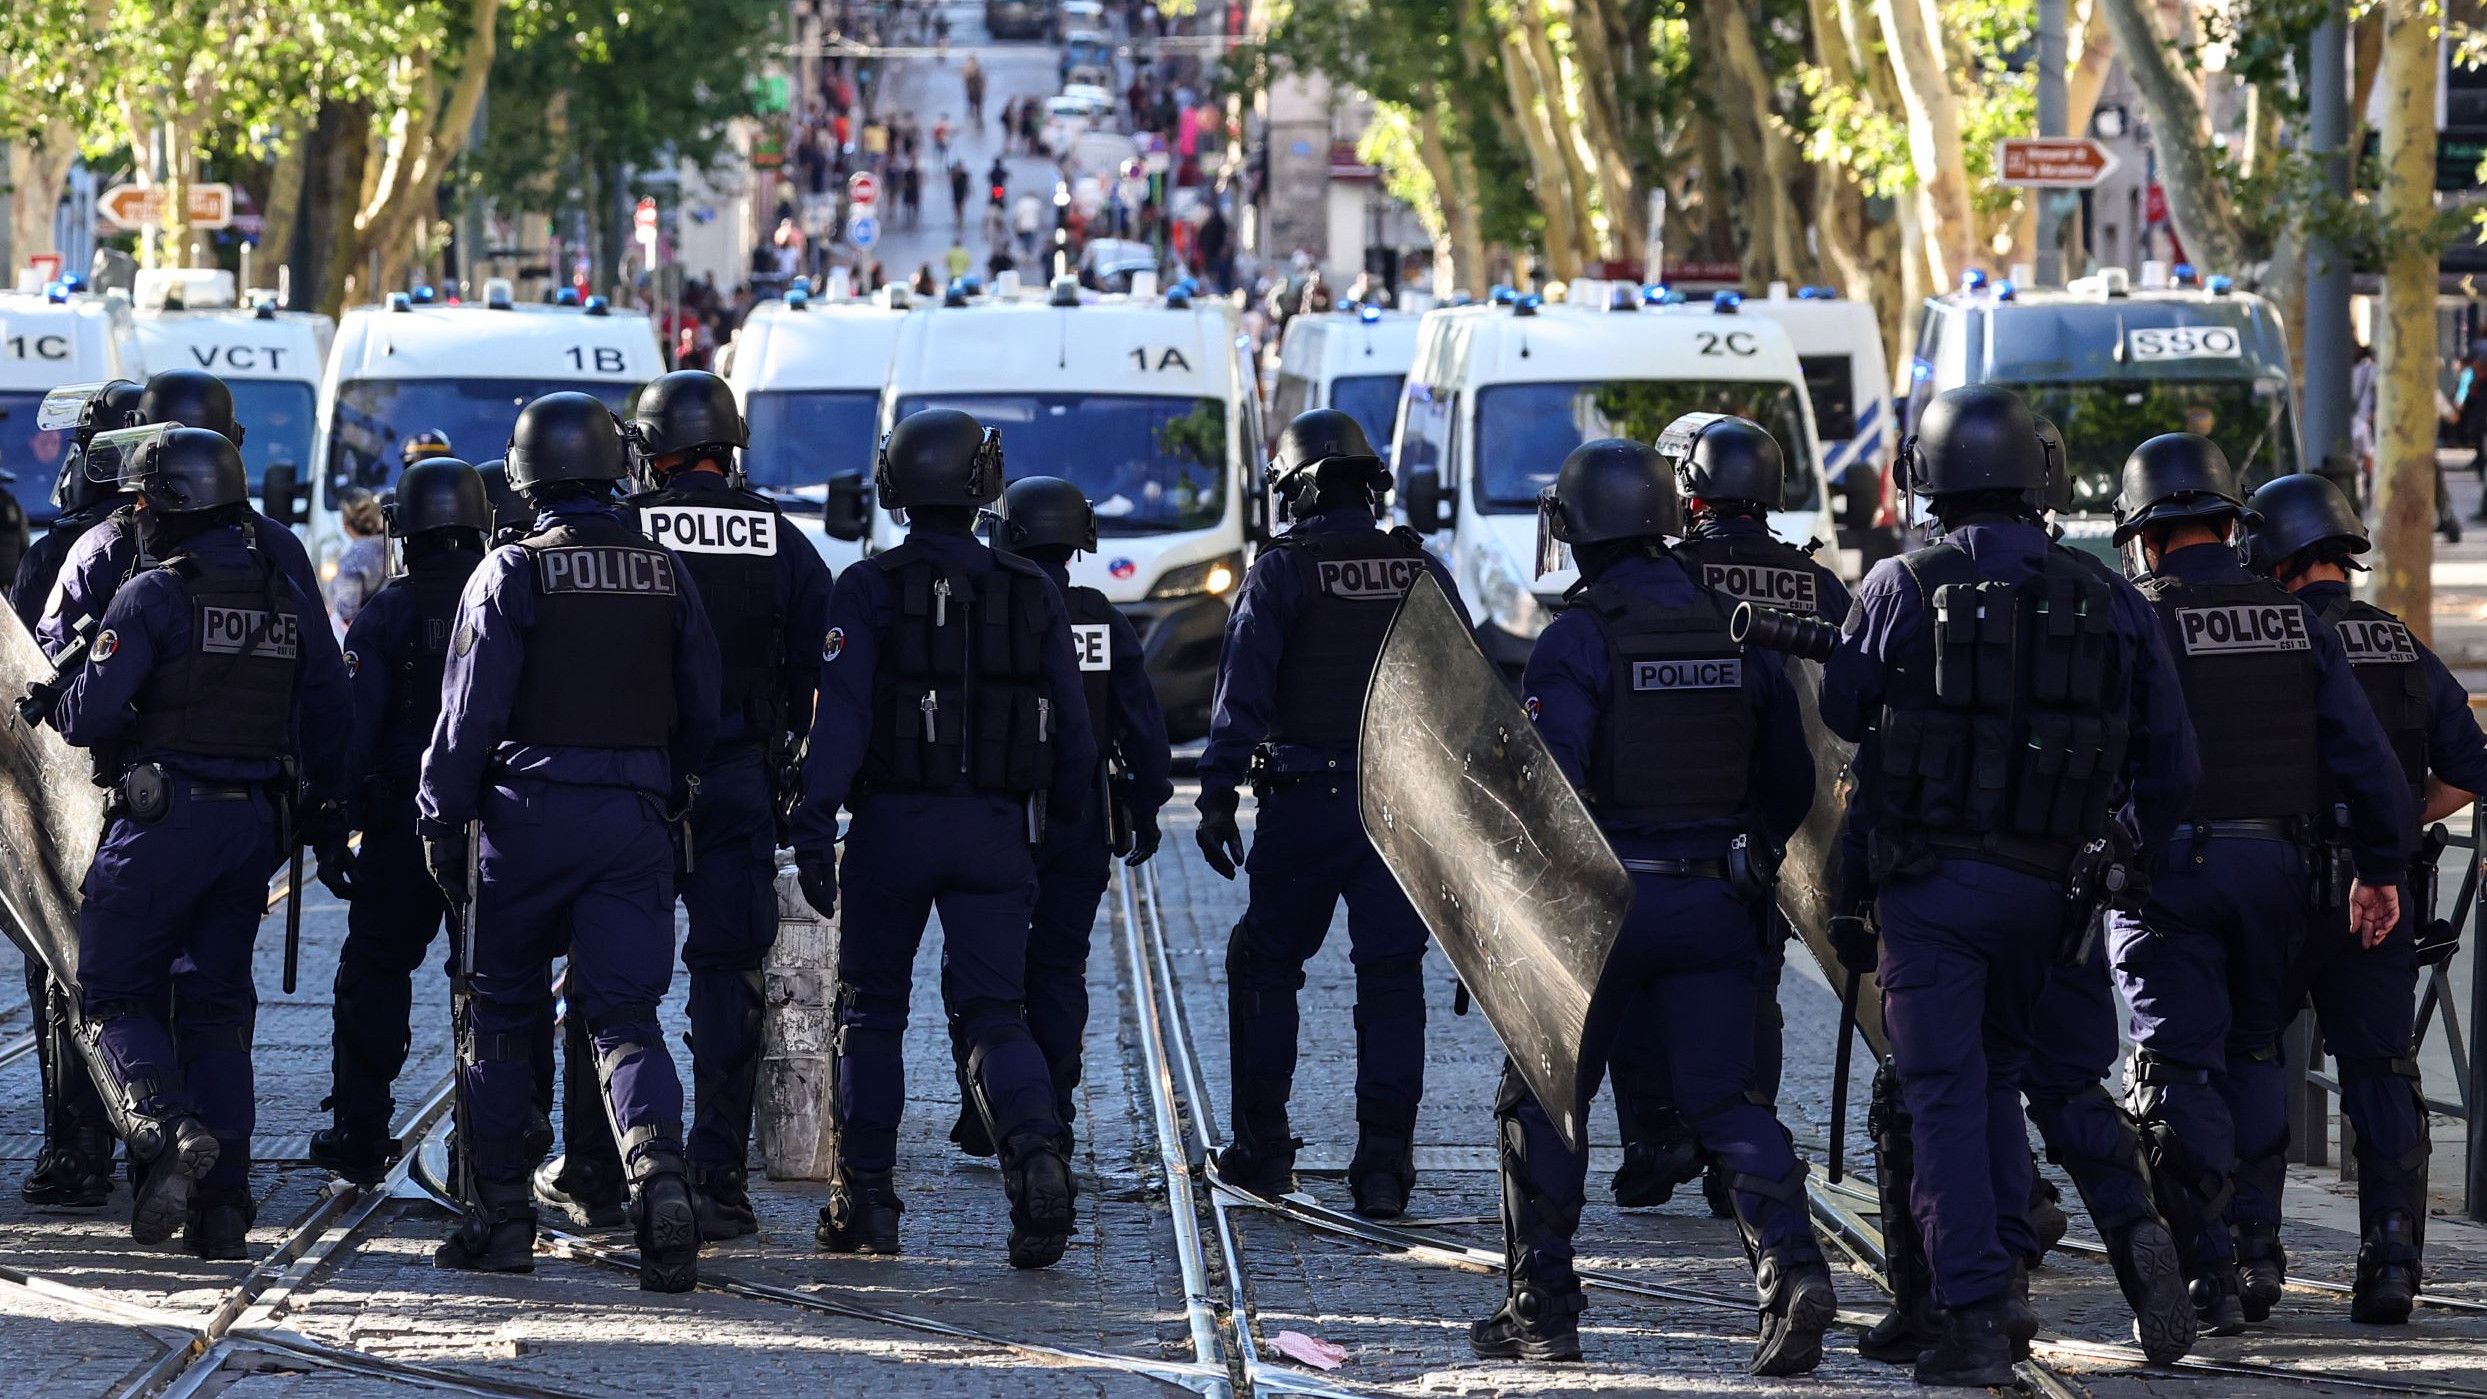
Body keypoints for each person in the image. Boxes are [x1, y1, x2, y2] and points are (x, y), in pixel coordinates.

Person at [1818, 386, 2198, 1386]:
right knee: (2010, 1075)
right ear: (2042, 476)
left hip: (1932, 889)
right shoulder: (2105, 592)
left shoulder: (1901, 583)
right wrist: (2117, 851)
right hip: (2055, 895)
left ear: (1927, 477)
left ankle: (1979, 1314)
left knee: (1944, 1092)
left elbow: (1843, 709)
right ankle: (2077, 1250)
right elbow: (2173, 763)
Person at [1475, 436, 1836, 1371]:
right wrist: (1743, 851)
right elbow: (1792, 775)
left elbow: (1550, 793)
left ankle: (1541, 1308)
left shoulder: (1577, 637)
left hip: (1602, 912)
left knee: (1544, 1095)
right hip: (1715, 901)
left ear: (1576, 528)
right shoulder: (1732, 622)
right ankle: (1793, 1270)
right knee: (1726, 1099)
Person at [2106, 433, 2411, 1335]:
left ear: (2146, 536)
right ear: (2229, 524)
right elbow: (2368, 761)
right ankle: (2255, 1249)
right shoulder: (2294, 622)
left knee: (2177, 1066)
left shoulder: (2136, 617)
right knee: (2250, 1053)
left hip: (2169, 873)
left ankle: (2213, 1269)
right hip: (2281, 874)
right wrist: (2380, 869)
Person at [420, 392, 720, 1292]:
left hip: (524, 822)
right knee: (627, 1018)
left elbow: (466, 719)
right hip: (631, 818)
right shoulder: (665, 571)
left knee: (501, 1019)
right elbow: (703, 708)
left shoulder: (508, 571)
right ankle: (659, 1180)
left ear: (524, 477)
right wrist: (666, 784)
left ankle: (501, 1219)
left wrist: (440, 818)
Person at [788, 409, 1097, 1269]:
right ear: (982, 484)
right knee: (996, 1012)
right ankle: (1037, 1159)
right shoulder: (1031, 588)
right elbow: (1074, 731)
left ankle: (867, 1202)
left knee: (870, 1011)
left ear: (895, 485)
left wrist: (814, 826)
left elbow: (840, 721)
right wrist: (1052, 832)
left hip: (892, 829)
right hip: (995, 830)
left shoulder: (866, 587)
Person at [55, 425, 352, 1257]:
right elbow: (329, 704)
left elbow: (87, 717)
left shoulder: (152, 593)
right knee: (218, 1010)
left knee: (111, 992)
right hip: (251, 825)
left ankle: (164, 1125)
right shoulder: (283, 591)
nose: (138, 516)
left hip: (162, 822)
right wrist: (326, 807)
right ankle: (224, 1208)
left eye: (144, 502)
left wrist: (71, 688)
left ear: (173, 504)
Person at [1195, 409, 1461, 1218]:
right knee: (1391, 977)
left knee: (1265, 963)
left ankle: (1263, 1149)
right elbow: (1466, 697)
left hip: (1304, 804)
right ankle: (1383, 1167)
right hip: (1402, 810)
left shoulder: (1283, 571)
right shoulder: (1419, 568)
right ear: (1368, 485)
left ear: (1300, 489)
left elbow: (1243, 692)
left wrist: (1216, 796)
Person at [2238, 472, 2483, 1323]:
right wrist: (2392, 822)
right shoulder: (2397, 641)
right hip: (2380, 891)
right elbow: (2467, 769)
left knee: (2250, 1056)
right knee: (2380, 1069)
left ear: (2271, 555)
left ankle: (2251, 1251)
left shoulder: (2268, 634)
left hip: (2278, 887)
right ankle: (2390, 1259)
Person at [1601, 414, 1851, 1218]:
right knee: (1754, 988)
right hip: (1794, 819)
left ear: (1691, 490)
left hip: (1687, 811)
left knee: (1642, 985)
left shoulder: (1675, 574)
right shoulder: (1817, 583)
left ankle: (1656, 1139)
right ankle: (1737, 1156)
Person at [618, 370, 832, 1238]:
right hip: (740, 777)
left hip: (635, 780)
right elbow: (819, 670)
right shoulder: (779, 535)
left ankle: (609, 1166)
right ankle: (717, 1176)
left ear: (654, 450)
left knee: (612, 979)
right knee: (730, 972)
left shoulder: (622, 527)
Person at [945, 477, 1172, 1155]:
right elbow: (1143, 726)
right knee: (1059, 968)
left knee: (980, 970)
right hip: (1081, 820)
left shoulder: (984, 608)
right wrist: (1146, 804)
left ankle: (988, 1102)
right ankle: (1056, 1108)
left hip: (994, 816)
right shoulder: (1102, 617)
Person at [308, 458, 495, 1183]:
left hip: (403, 829)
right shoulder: (509, 593)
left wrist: (333, 822)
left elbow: (353, 729)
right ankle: (505, 1132)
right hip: (498, 829)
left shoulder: (388, 611)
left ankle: (360, 1129)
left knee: (375, 970)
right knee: (499, 980)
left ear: (406, 531)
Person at [11, 377, 144, 1211]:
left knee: (65, 974)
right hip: (195, 800)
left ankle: (79, 1150)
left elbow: (22, 675)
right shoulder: (255, 547)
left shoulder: (66, 550)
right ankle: (185, 1153)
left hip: (71, 802)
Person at [41, 369, 328, 661]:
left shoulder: (102, 550)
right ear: (233, 442)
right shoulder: (278, 545)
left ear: (136, 438)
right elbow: (323, 675)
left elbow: (54, 668)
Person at [327, 487, 390, 627]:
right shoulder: (393, 545)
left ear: (345, 521)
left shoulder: (354, 557)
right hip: (395, 625)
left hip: (368, 630)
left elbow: (346, 608)